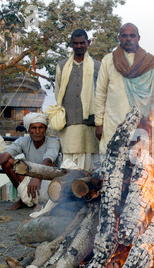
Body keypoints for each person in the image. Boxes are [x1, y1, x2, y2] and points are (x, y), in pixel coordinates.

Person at [94, 23, 154, 155]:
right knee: (111, 162)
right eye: (124, 36)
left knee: (138, 165)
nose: (128, 39)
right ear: (119, 38)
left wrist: (152, 123)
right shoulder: (108, 60)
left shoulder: (149, 62)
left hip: (140, 124)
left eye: (132, 36)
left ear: (138, 38)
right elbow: (100, 93)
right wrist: (99, 123)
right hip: (113, 121)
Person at [0, 113, 61, 210]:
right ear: (28, 129)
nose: (37, 131)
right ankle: (23, 199)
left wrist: (38, 176)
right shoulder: (23, 141)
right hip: (31, 177)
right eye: (33, 128)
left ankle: (30, 200)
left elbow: (48, 160)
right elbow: (5, 155)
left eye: (41, 128)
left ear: (45, 129)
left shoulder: (53, 142)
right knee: (7, 162)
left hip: (48, 178)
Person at [52, 29, 101, 170]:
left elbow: (102, 94)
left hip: (91, 125)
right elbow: (58, 93)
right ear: (71, 44)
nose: (79, 46)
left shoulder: (98, 66)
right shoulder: (62, 66)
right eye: (75, 43)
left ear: (88, 43)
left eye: (82, 43)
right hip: (69, 124)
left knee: (90, 167)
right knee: (69, 167)